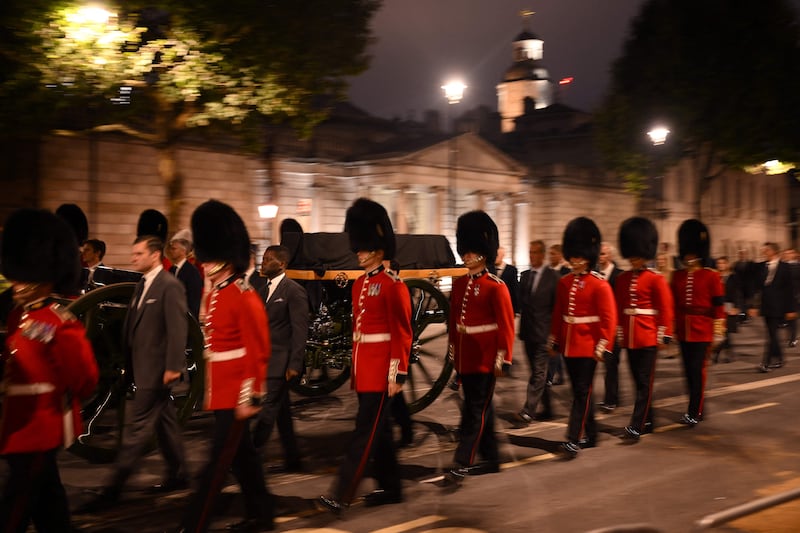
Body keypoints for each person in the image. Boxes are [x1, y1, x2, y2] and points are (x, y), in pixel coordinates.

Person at [0, 208, 99, 532]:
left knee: (16, 506)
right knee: (49, 505)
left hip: (40, 426)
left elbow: (85, 378)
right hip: (17, 421)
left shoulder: (59, 323)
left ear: (43, 278)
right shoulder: (18, 317)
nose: (17, 283)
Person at [178, 200, 272, 532]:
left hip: (237, 394)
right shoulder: (216, 292)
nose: (203, 265)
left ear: (225, 259)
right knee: (243, 458)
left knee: (217, 463)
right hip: (221, 390)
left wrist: (251, 396)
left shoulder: (242, 294)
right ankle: (262, 515)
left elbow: (257, 349)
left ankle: (195, 523)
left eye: (209, 259)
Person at [78, 234, 190, 512]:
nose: (133, 258)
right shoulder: (143, 284)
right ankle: (179, 473)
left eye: (138, 254)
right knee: (165, 423)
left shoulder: (169, 286)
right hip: (141, 367)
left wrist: (174, 366)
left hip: (155, 370)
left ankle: (112, 490)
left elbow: (178, 329)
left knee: (137, 432)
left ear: (154, 255)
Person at [317, 198, 412, 513]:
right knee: (380, 433)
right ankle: (393, 488)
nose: (358, 253)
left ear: (378, 251)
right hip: (365, 370)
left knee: (363, 435)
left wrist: (397, 374)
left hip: (382, 371)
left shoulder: (392, 286)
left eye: (363, 248)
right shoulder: (360, 285)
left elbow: (401, 332)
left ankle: (342, 493)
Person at [442, 210, 514, 485]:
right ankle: (492, 458)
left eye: (472, 252)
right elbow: (453, 321)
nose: (467, 256)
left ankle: (463, 461)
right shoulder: (460, 284)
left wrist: (503, 358)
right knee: (481, 408)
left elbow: (506, 325)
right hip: (467, 356)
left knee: (475, 410)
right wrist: (453, 351)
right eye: (466, 252)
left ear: (484, 253)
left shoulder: (496, 287)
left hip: (485, 357)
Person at [548, 217, 616, 459]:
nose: (574, 261)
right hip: (568, 344)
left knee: (581, 392)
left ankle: (573, 438)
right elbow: (559, 314)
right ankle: (593, 434)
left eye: (579, 257)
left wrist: (602, 345)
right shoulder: (565, 283)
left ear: (588, 257)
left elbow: (608, 319)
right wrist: (555, 340)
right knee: (580, 391)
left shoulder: (600, 285)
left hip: (588, 347)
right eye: (573, 256)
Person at [615, 217, 674, 442]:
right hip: (630, 337)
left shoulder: (655, 279)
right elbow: (621, 308)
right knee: (638, 381)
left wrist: (664, 334)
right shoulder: (622, 279)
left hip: (648, 335)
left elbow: (665, 309)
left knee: (643, 382)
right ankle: (649, 420)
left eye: (637, 255)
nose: (633, 259)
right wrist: (620, 333)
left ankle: (636, 425)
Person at [252, 245, 309, 473]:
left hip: (280, 363)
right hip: (265, 360)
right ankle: (293, 459)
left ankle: (251, 458)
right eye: (263, 259)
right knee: (281, 413)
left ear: (282, 264)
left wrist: (295, 364)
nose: (263, 262)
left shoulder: (293, 291)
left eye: (268, 259)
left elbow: (300, 330)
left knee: (267, 412)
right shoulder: (262, 289)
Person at [670, 219, 725, 426]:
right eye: (687, 253)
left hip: (703, 328)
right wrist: (673, 329)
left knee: (698, 371)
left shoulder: (711, 276)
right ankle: (694, 408)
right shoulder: (678, 276)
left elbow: (718, 306)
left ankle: (696, 411)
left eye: (692, 253)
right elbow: (674, 305)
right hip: (684, 329)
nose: (689, 257)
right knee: (687, 371)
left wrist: (719, 330)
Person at [517, 239, 559, 423]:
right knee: (535, 371)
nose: (532, 256)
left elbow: (557, 309)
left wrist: (554, 336)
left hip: (544, 333)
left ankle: (528, 410)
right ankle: (549, 409)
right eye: (530, 252)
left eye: (535, 253)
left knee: (539, 373)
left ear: (542, 255)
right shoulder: (525, 276)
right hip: (528, 333)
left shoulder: (553, 277)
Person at [749, 242, 796, 373]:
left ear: (773, 251)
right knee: (771, 334)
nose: (764, 252)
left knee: (772, 335)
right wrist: (753, 305)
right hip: (766, 306)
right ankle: (780, 358)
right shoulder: (763, 266)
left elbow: (789, 290)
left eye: (766, 250)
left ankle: (766, 362)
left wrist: (791, 309)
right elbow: (757, 287)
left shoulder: (785, 267)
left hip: (779, 306)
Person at [596, 242, 624, 412]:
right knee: (605, 364)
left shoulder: (618, 276)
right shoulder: (596, 275)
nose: (601, 257)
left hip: (614, 327)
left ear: (610, 256)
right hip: (599, 327)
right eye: (599, 254)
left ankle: (612, 399)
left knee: (611, 365)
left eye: (604, 254)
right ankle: (609, 397)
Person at [167, 229, 203, 319]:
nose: (171, 251)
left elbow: (193, 303)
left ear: (183, 251)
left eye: (174, 248)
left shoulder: (192, 272)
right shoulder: (171, 270)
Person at [713, 256, 743, 363]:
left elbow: (737, 293)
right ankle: (726, 352)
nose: (720, 265)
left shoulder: (733, 277)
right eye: (719, 263)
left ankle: (718, 353)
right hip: (717, 307)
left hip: (729, 306)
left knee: (726, 332)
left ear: (727, 264)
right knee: (721, 332)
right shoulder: (715, 276)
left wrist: (737, 307)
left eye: (723, 263)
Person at [495, 246, 520, 314]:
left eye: (497, 255)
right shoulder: (490, 269)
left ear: (503, 255)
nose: (495, 257)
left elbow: (514, 290)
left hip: (507, 305)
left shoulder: (511, 270)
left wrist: (516, 310)